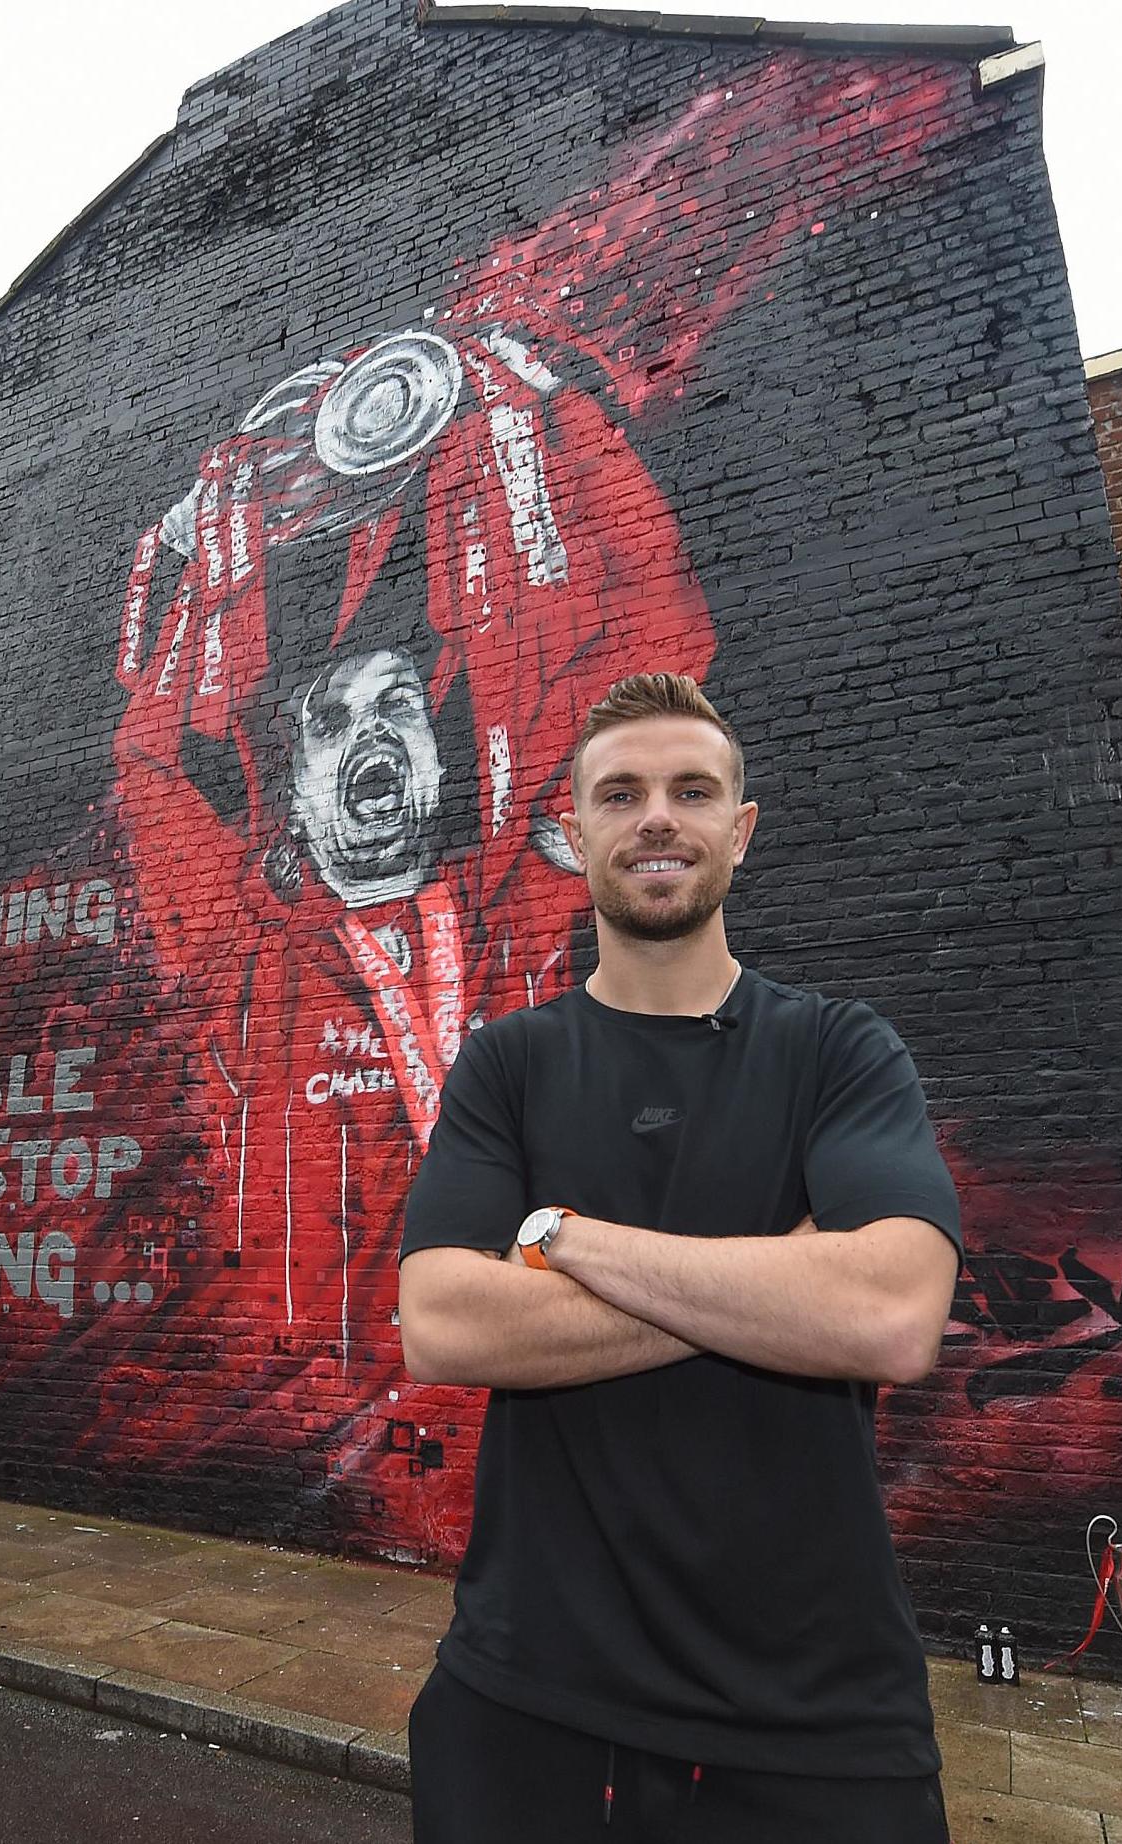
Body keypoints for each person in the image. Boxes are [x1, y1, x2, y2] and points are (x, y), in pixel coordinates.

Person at [397, 672, 964, 1841]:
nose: (657, 815)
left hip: (816, 1715)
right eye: (621, 792)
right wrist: (784, 1278)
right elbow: (444, 1322)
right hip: (525, 1694)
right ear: (572, 832)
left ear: (738, 830)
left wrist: (563, 1239)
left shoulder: (838, 1050)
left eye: (690, 789)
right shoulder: (506, 1064)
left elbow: (894, 1314)